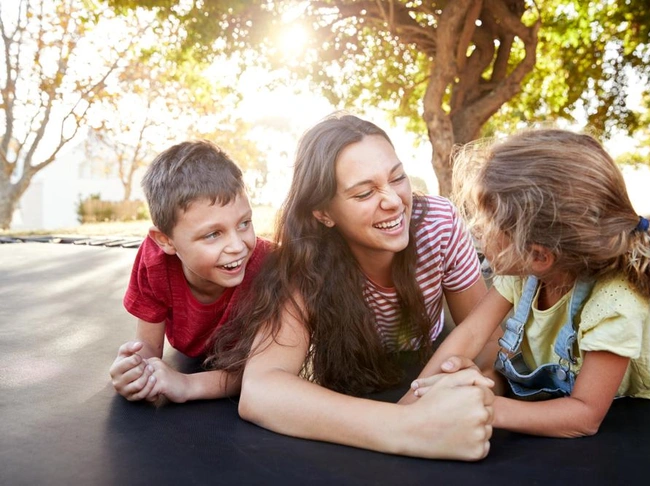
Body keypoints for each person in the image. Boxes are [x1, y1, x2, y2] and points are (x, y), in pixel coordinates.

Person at [208, 113, 496, 460]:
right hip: (356, 370)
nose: (393, 200)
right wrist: (409, 426)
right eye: (364, 193)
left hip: (429, 348)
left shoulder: (438, 223)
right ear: (324, 213)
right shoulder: (306, 259)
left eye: (398, 177)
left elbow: (485, 342)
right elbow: (261, 390)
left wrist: (463, 393)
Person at [409, 128, 650, 438]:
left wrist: (485, 406)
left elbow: (584, 416)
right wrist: (412, 404)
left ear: (539, 255)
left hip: (634, 408)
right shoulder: (523, 270)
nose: (476, 229)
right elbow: (471, 333)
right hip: (563, 365)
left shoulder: (616, 303)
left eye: (486, 220)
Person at [109, 140, 272, 403]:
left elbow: (268, 373)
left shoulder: (270, 267)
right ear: (166, 241)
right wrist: (138, 370)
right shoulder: (155, 261)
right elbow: (149, 347)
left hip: (249, 365)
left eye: (244, 223)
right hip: (194, 357)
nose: (237, 246)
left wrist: (188, 385)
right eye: (212, 234)